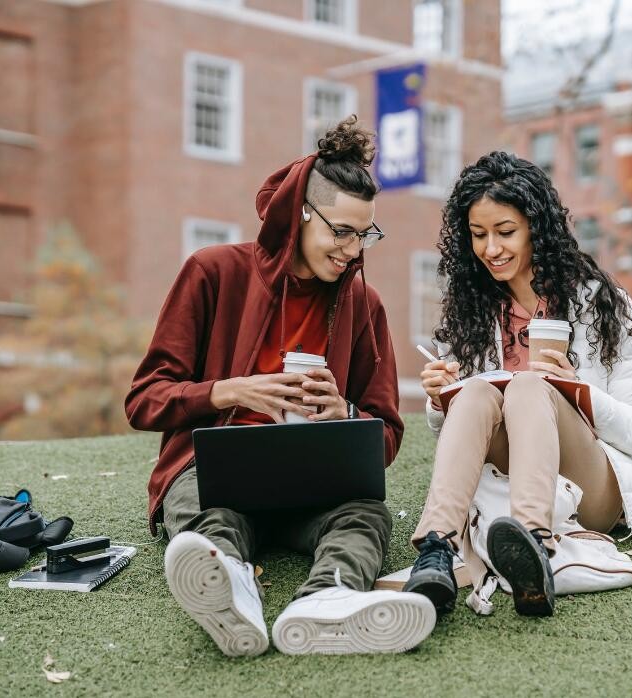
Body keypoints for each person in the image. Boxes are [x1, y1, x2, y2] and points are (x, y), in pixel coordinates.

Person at [125, 116, 435, 656]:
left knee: (365, 515)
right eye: (341, 231)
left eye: (365, 235)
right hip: (216, 474)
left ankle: (325, 600)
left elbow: (386, 433)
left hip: (316, 483)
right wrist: (230, 391)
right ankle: (233, 592)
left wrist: (345, 414)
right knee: (205, 512)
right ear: (300, 215)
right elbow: (144, 399)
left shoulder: (365, 303)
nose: (352, 250)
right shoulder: (213, 272)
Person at [402, 151, 632, 617]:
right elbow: (459, 433)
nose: (491, 249)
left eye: (505, 232)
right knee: (479, 391)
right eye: (478, 235)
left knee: (527, 387)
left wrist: (577, 393)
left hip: (592, 487)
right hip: (505, 477)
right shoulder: (471, 311)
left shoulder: (601, 304)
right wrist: (441, 399)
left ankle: (533, 545)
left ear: (536, 230)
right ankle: (437, 548)